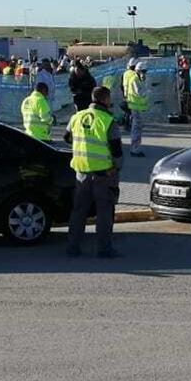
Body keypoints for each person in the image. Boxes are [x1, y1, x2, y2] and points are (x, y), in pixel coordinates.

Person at [64, 85, 124, 258]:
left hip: (81, 172)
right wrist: (116, 168)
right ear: (105, 99)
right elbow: (117, 151)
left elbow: (67, 137)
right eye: (109, 98)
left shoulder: (77, 116)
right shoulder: (107, 120)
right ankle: (104, 249)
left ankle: (73, 247)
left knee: (78, 212)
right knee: (104, 212)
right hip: (104, 174)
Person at [122, 61, 148, 155]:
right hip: (135, 107)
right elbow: (139, 92)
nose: (145, 74)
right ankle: (134, 149)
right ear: (139, 70)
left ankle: (136, 147)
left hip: (137, 107)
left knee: (137, 128)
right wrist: (147, 89)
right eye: (143, 71)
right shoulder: (135, 79)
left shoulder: (136, 78)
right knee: (136, 128)